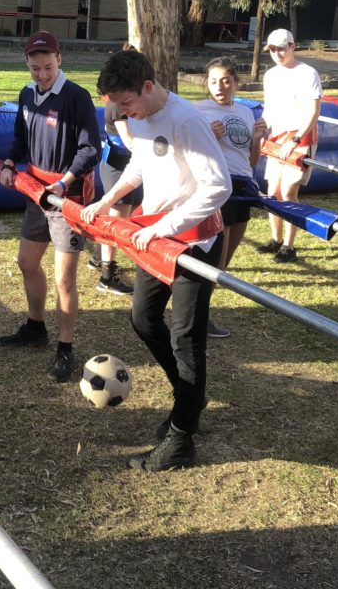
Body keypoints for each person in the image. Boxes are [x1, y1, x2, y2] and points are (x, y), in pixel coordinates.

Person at [81, 49, 231, 472]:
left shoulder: (186, 121)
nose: (120, 112)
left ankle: (182, 437)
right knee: (143, 319)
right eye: (115, 105)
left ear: (148, 86)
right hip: (156, 239)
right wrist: (107, 200)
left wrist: (165, 228)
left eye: (124, 103)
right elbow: (139, 167)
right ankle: (190, 396)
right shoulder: (140, 117)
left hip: (194, 244)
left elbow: (217, 188)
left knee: (186, 338)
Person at [0, 31, 101, 383]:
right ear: (26, 64)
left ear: (60, 60)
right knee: (26, 262)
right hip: (35, 191)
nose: (41, 75)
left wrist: (64, 182)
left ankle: (65, 348)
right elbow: (20, 140)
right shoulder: (27, 96)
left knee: (65, 280)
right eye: (35, 68)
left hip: (66, 197)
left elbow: (90, 150)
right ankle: (35, 325)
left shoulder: (76, 97)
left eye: (48, 67)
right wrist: (11, 164)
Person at [194, 57, 267, 337]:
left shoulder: (246, 113)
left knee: (224, 262)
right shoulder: (197, 110)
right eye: (213, 81)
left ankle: (200, 312)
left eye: (225, 80)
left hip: (243, 187)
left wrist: (258, 139)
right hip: (217, 186)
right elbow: (186, 150)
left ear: (236, 82)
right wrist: (207, 136)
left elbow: (250, 160)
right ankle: (197, 317)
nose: (220, 86)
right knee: (215, 258)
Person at [258, 29, 322, 263]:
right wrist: (263, 132)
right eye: (272, 49)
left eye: (281, 48)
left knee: (288, 192)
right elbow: (269, 108)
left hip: (300, 137)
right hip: (277, 136)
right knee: (273, 192)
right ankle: (275, 239)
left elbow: (314, 112)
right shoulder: (271, 75)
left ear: (293, 46)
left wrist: (296, 140)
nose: (277, 53)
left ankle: (289, 245)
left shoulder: (308, 73)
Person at [91, 98, 141, 296]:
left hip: (132, 167)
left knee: (129, 210)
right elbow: (128, 140)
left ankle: (97, 257)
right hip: (117, 168)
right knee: (117, 221)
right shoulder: (115, 104)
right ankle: (107, 276)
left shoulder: (135, 102)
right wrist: (157, 153)